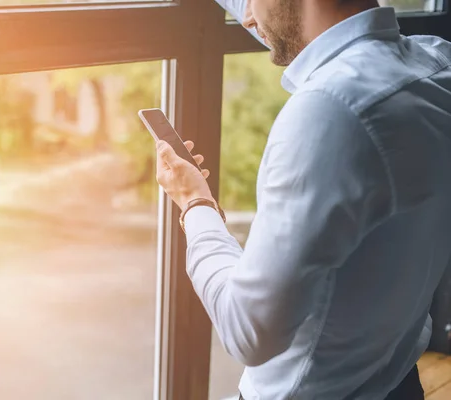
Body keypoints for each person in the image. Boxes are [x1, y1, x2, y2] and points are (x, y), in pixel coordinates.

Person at [154, 0, 451, 399]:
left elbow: (248, 331)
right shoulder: (435, 63)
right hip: (398, 382)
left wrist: (195, 204)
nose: (246, 18)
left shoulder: (330, 112)